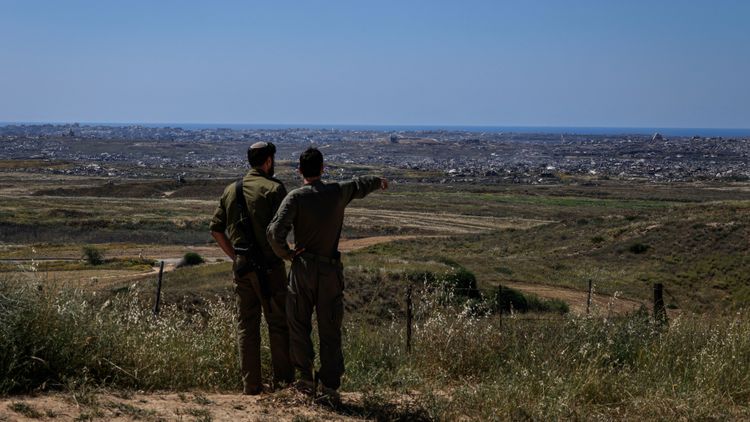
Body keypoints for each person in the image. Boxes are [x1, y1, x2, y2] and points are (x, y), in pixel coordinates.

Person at [266, 147, 388, 400]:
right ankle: (330, 385)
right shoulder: (337, 192)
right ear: (323, 169)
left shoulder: (296, 198)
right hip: (330, 270)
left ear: (299, 170)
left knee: (299, 324)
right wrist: (378, 182)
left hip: (303, 269)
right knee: (330, 327)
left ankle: (305, 379)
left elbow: (274, 233)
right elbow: (359, 185)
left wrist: (288, 254)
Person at [209, 141, 293, 395]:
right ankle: (283, 384)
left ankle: (251, 385)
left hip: (242, 268)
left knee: (247, 325)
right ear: (268, 161)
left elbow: (215, 230)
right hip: (270, 268)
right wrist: (286, 254)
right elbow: (281, 232)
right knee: (278, 325)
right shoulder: (275, 189)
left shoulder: (230, 190)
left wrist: (235, 256)